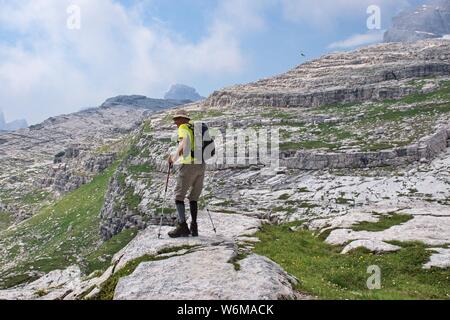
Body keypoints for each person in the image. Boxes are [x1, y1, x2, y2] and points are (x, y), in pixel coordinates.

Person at [167, 110, 206, 238]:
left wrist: (173, 158)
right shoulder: (195, 127)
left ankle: (183, 226)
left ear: (183, 119)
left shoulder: (183, 127)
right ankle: (194, 227)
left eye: (177, 119)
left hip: (189, 164)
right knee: (194, 197)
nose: (175, 123)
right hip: (201, 164)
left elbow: (184, 143)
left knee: (179, 196)